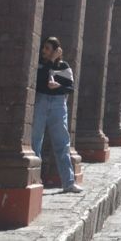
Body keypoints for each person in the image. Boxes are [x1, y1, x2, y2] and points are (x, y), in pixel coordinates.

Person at [32, 36, 81, 192]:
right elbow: (40, 82)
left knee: (62, 143)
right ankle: (35, 180)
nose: (44, 51)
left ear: (55, 50)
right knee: (35, 141)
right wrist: (51, 62)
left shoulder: (64, 66)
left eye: (47, 48)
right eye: (44, 48)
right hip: (41, 101)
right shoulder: (40, 65)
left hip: (59, 104)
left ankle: (68, 182)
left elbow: (69, 88)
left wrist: (57, 87)